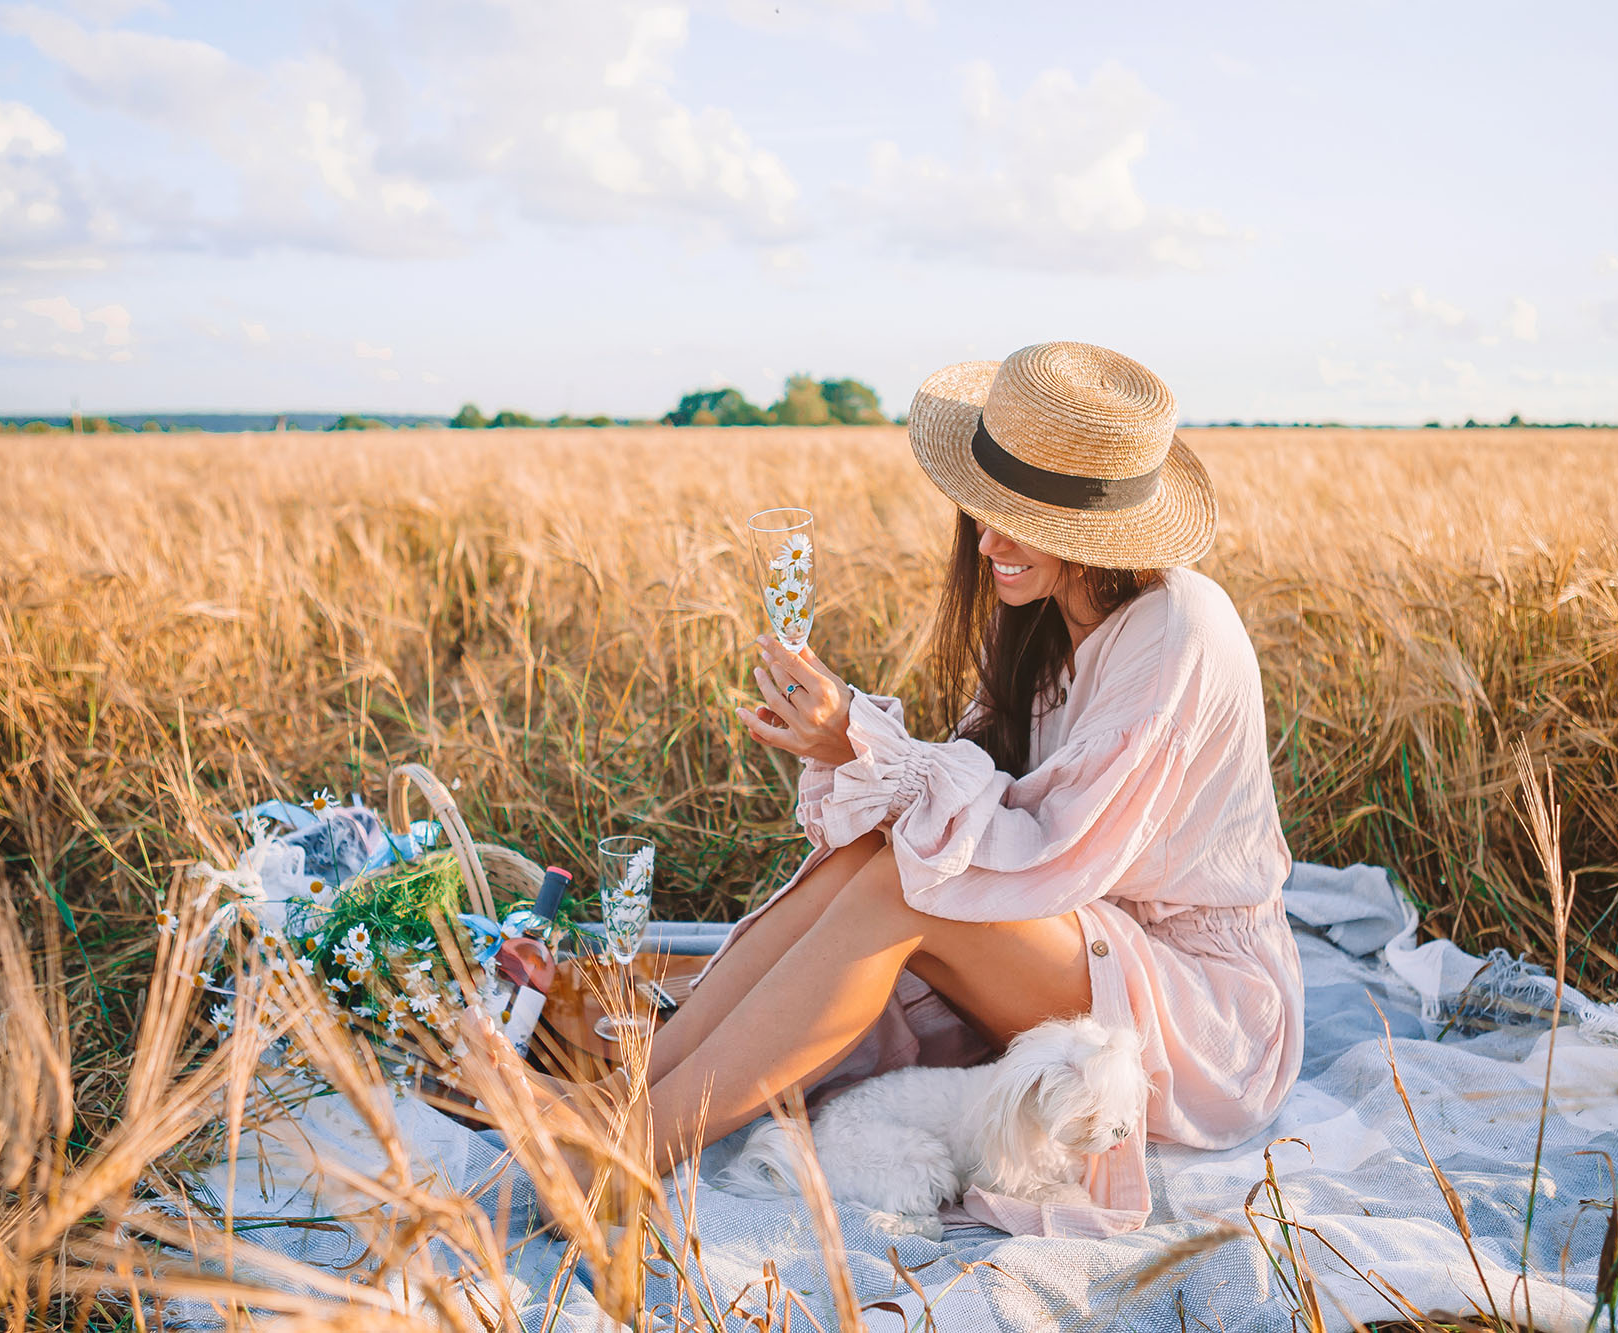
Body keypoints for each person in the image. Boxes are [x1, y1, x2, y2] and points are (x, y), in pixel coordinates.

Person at [516, 341, 1302, 1235]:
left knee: (907, 880)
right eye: (985, 507)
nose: (987, 538)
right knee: (876, 851)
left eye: (1024, 516)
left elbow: (1056, 851)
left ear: (1099, 532)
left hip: (1195, 1006)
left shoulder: (1178, 627)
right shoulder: (1042, 622)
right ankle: (628, 1092)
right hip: (1083, 942)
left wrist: (865, 734)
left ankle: (627, 1148)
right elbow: (965, 810)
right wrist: (843, 741)